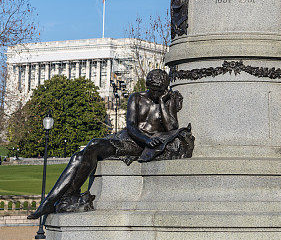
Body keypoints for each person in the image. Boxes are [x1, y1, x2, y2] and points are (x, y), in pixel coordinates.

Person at [28, 69, 194, 219]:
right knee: (80, 155)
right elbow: (131, 126)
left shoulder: (167, 100)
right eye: (154, 89)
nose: (157, 93)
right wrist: (147, 139)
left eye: (160, 90)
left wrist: (163, 104)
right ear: (148, 85)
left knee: (92, 146)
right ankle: (55, 199)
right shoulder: (136, 98)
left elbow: (172, 127)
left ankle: (57, 199)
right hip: (129, 139)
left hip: (137, 147)